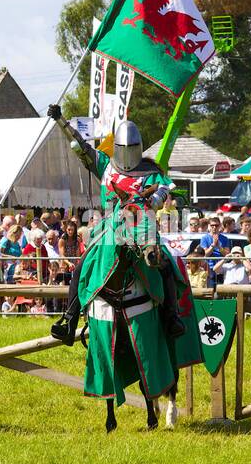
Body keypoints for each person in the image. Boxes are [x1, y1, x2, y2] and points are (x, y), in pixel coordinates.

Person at [45, 106, 186, 346]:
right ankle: (69, 318)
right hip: (111, 226)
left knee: (166, 264)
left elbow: (163, 192)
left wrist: (152, 201)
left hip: (142, 225)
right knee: (83, 265)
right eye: (125, 148)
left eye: (133, 148)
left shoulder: (151, 171)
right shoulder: (106, 165)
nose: (129, 153)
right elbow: (81, 147)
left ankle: (172, 316)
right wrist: (61, 120)